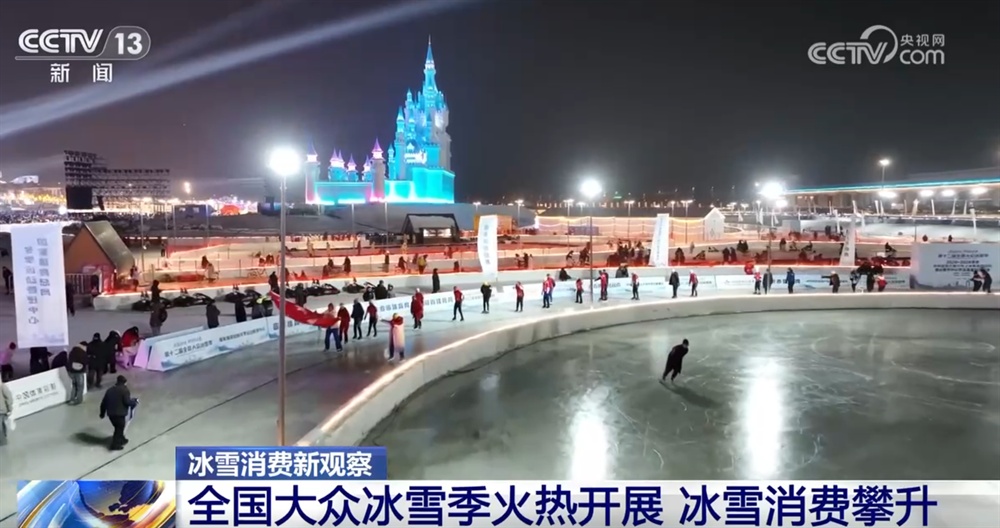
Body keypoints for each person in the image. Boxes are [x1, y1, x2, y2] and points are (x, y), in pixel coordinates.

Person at [99, 375, 135, 451]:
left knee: (119, 427)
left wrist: (102, 413)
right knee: (119, 428)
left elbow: (104, 403)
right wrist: (134, 402)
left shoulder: (110, 390)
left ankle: (122, 439)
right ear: (125, 382)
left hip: (111, 414)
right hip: (119, 414)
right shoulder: (125, 390)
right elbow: (127, 402)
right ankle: (115, 445)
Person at [0, 379, 13, 446]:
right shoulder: (2, 385)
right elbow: (8, 397)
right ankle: (3, 441)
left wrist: (9, 407)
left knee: (1, 427)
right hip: (2, 410)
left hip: (1, 410)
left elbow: (8, 397)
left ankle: (3, 443)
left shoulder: (2, 386)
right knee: (2, 426)